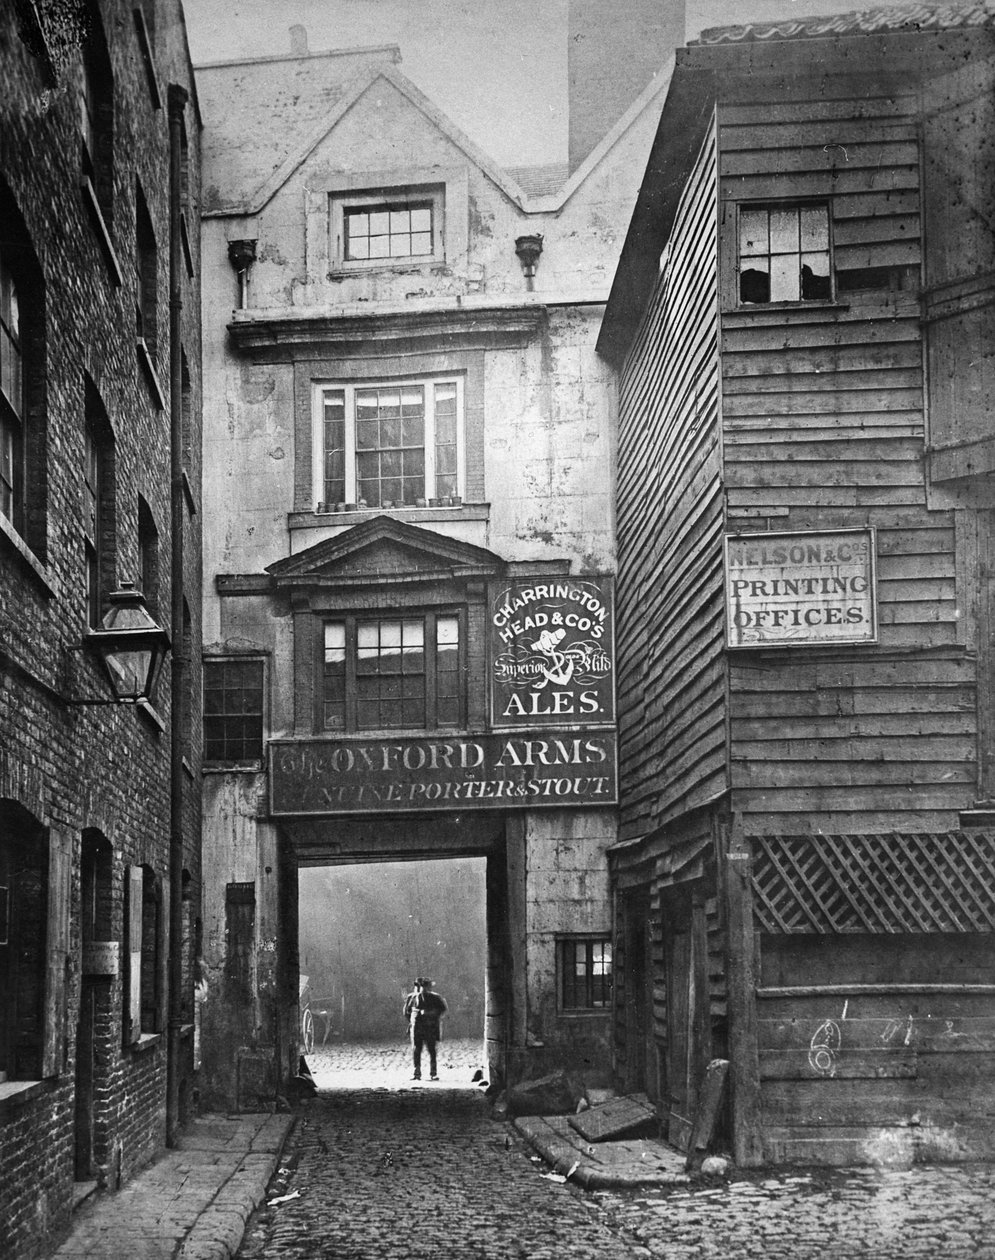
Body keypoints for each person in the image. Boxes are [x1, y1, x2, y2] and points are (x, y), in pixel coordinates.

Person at [403, 976, 448, 1080]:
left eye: (426, 986)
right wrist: (413, 1019)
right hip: (417, 1027)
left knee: (432, 1049)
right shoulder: (412, 997)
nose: (424, 989)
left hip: (430, 1027)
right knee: (416, 1049)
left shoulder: (436, 998)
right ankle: (416, 1072)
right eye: (421, 986)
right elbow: (406, 1012)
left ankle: (433, 1073)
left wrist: (431, 1014)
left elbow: (442, 1009)